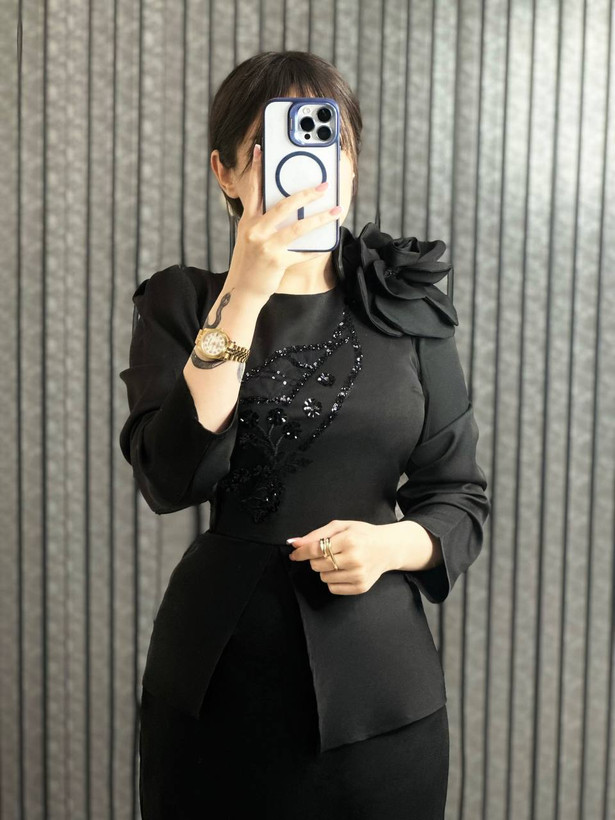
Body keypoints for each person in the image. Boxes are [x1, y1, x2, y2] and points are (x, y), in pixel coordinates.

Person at [119, 50, 491, 819]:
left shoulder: (405, 306)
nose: (309, 167)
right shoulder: (181, 302)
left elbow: (459, 497)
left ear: (349, 165)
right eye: (271, 146)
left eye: (329, 143)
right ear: (225, 172)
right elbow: (170, 478)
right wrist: (244, 293)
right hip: (215, 679)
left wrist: (389, 546)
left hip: (382, 689)